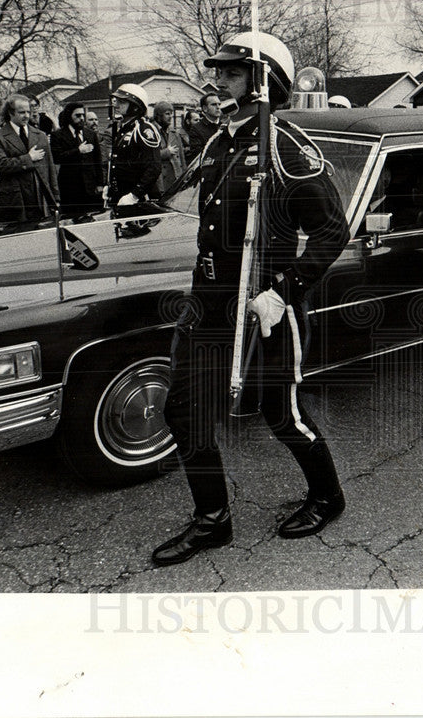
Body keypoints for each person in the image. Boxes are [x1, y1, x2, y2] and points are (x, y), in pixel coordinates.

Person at [152, 31, 350, 567]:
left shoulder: (287, 150)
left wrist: (283, 290)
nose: (216, 82)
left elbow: (333, 231)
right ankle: (212, 520)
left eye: (231, 74)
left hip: (264, 308)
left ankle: (328, 497)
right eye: (216, 72)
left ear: (265, 84)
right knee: (183, 409)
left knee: (281, 414)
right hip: (208, 303)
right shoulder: (221, 140)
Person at [0, 94, 58, 222]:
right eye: (21, 112)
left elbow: (50, 167)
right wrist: (29, 158)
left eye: (28, 111)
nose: (26, 115)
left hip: (40, 197)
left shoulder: (40, 135)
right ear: (10, 113)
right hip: (15, 198)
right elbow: (1, 165)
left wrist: (56, 197)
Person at [108, 84, 162, 204]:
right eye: (117, 101)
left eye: (122, 102)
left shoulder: (144, 129)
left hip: (140, 199)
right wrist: (110, 186)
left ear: (135, 107)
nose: (116, 105)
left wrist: (135, 195)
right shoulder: (122, 128)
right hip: (122, 196)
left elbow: (154, 168)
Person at [50, 101, 103, 219]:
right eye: (77, 116)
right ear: (69, 116)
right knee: (72, 220)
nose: (81, 119)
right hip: (70, 188)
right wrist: (77, 151)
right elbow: (57, 157)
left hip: (90, 187)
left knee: (93, 218)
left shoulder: (90, 134)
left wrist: (100, 183)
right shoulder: (58, 135)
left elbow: (97, 160)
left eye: (83, 115)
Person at [153, 100, 186, 195]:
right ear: (158, 116)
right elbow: (147, 157)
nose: (171, 116)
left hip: (176, 181)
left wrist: (184, 177)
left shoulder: (174, 133)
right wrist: (166, 152)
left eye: (171, 114)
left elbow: (182, 159)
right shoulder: (150, 132)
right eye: (167, 114)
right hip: (159, 183)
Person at [185, 92, 223, 161]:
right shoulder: (196, 129)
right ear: (205, 108)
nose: (218, 107)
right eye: (214, 104)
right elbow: (197, 153)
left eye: (219, 104)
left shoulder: (225, 126)